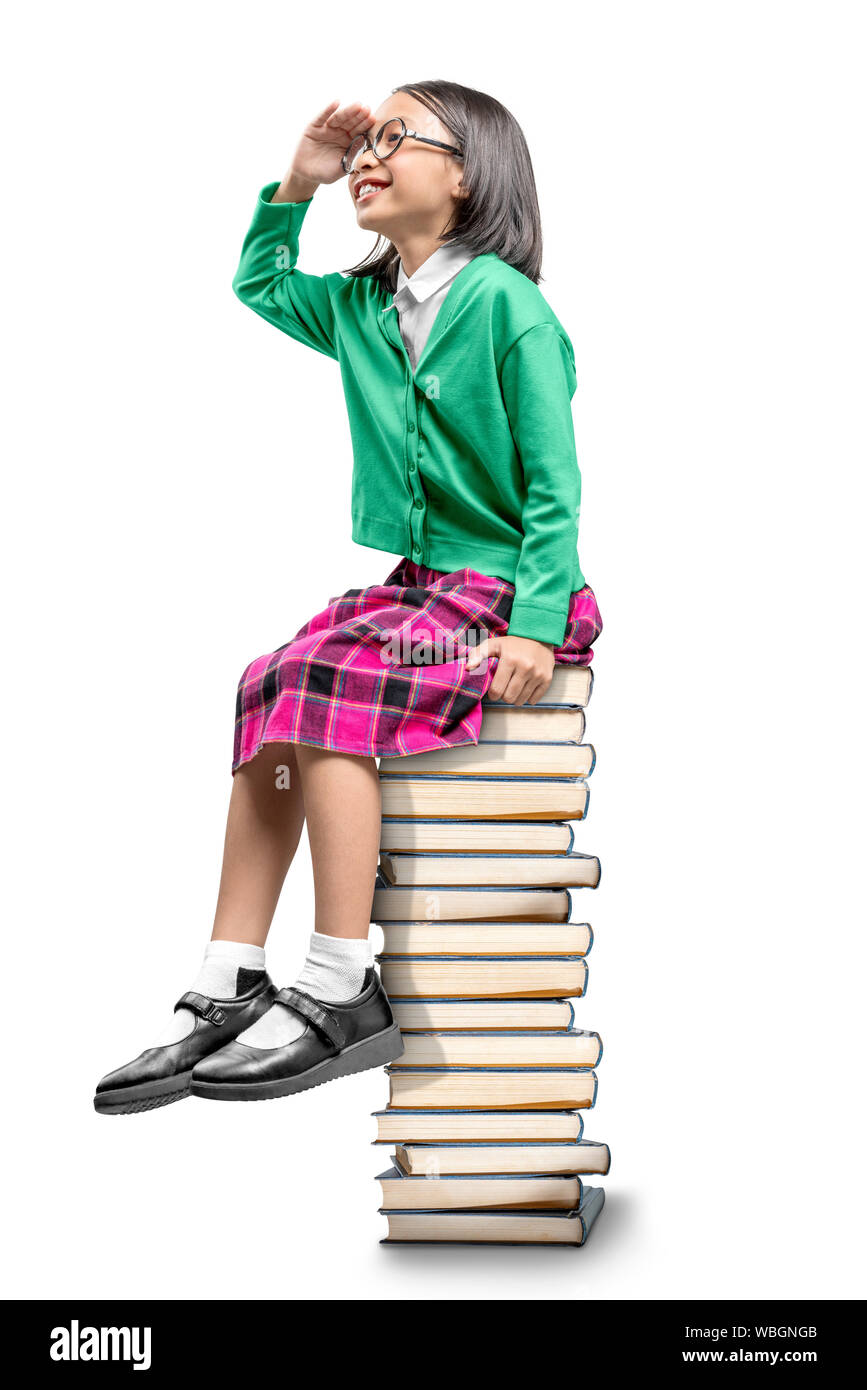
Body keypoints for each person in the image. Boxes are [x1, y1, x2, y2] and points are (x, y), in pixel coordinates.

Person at [93, 80, 603, 1114]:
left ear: (467, 174)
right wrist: (298, 183)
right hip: (419, 592)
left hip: (501, 598)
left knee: (331, 680)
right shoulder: (364, 308)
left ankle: (339, 980)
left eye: (396, 140)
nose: (368, 155)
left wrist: (536, 628)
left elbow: (556, 488)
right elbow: (260, 280)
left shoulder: (510, 307)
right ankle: (231, 972)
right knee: (268, 678)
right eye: (361, 143)